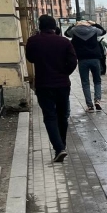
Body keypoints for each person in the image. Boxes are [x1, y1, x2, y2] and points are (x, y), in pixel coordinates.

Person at [26, 15, 78, 162]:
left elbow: (30, 58)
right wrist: (64, 73)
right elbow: (73, 61)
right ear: (54, 27)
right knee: (62, 115)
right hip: (62, 84)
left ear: (40, 26)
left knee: (49, 116)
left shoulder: (33, 41)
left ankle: (59, 148)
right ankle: (62, 145)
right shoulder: (64, 42)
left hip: (43, 84)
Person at [65, 20, 106, 112]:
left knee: (85, 82)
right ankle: (98, 101)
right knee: (97, 81)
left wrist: (73, 25)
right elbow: (103, 31)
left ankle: (90, 105)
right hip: (95, 59)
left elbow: (66, 33)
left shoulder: (74, 31)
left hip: (82, 59)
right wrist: (94, 23)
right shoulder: (94, 29)